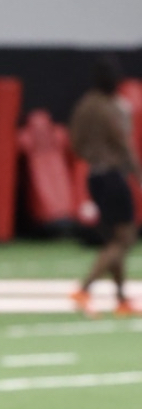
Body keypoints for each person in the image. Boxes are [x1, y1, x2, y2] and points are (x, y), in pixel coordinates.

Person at [69, 56, 141, 317]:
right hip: (113, 176)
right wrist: (138, 175)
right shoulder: (114, 107)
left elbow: (74, 142)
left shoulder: (85, 105)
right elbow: (124, 143)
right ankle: (85, 288)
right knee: (126, 238)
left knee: (113, 240)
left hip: (94, 176)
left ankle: (121, 299)